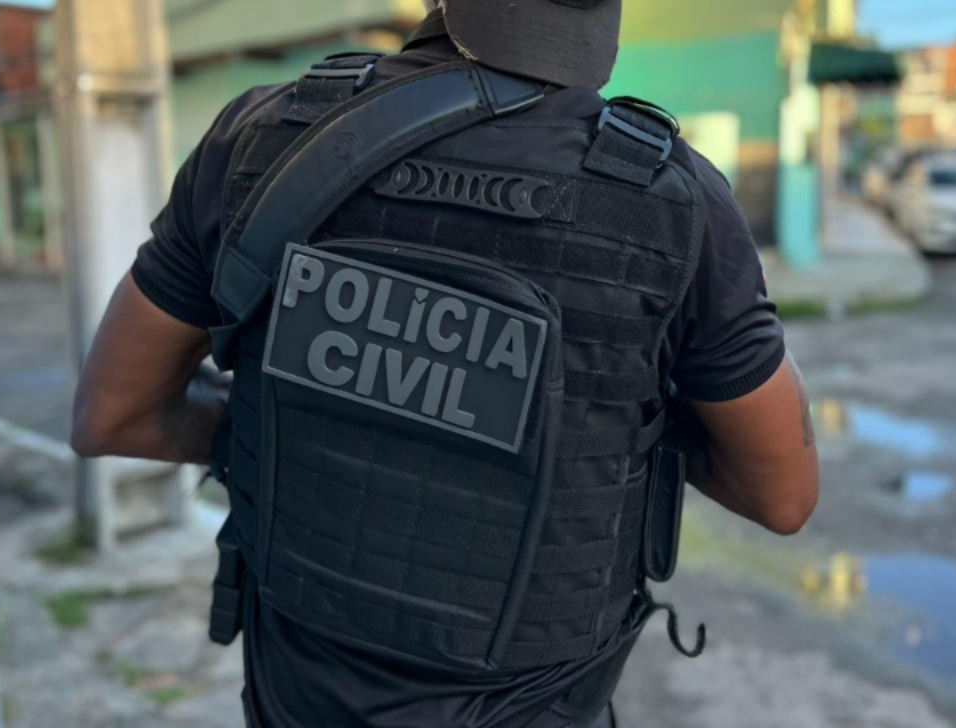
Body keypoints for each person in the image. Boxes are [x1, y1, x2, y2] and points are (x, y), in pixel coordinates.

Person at [71, 1, 820, 726]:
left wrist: (301, 422)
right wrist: (581, 440)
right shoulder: (674, 206)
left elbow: (114, 417)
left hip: (293, 701)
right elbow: (782, 495)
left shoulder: (262, 141)